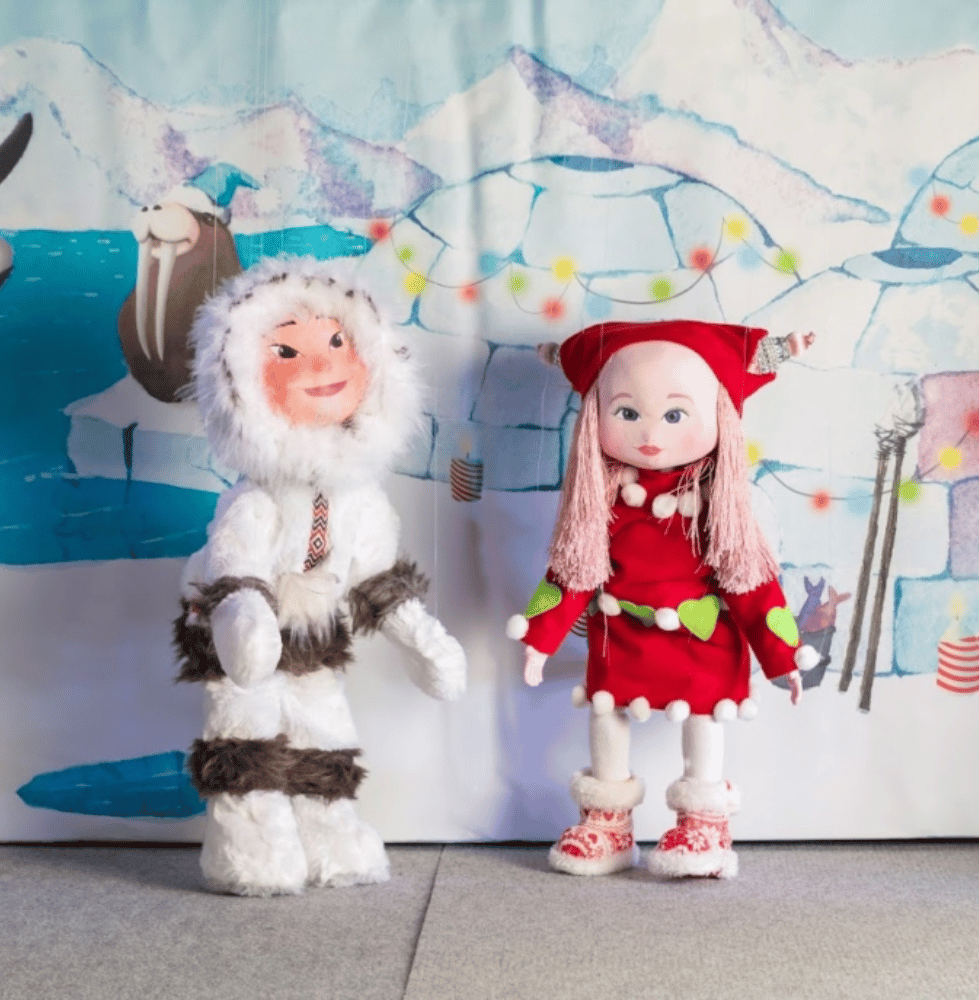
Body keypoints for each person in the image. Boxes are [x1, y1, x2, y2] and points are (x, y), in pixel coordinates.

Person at [175, 255, 466, 895]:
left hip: (315, 636)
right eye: (286, 352)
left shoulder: (361, 499)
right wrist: (246, 623)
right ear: (244, 384)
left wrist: (421, 640)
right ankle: (249, 853)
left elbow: (374, 579)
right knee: (244, 737)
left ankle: (332, 842)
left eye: (337, 343)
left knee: (324, 732)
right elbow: (235, 566)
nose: (321, 365)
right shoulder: (255, 499)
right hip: (238, 640)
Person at [507, 320, 817, 879]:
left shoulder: (720, 503)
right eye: (627, 413)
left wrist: (783, 656)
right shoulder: (600, 498)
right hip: (621, 635)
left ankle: (704, 821)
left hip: (703, 637)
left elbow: (752, 583)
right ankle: (608, 821)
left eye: (675, 415)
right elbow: (571, 574)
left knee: (705, 717)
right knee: (607, 713)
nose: (651, 433)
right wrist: (540, 638)